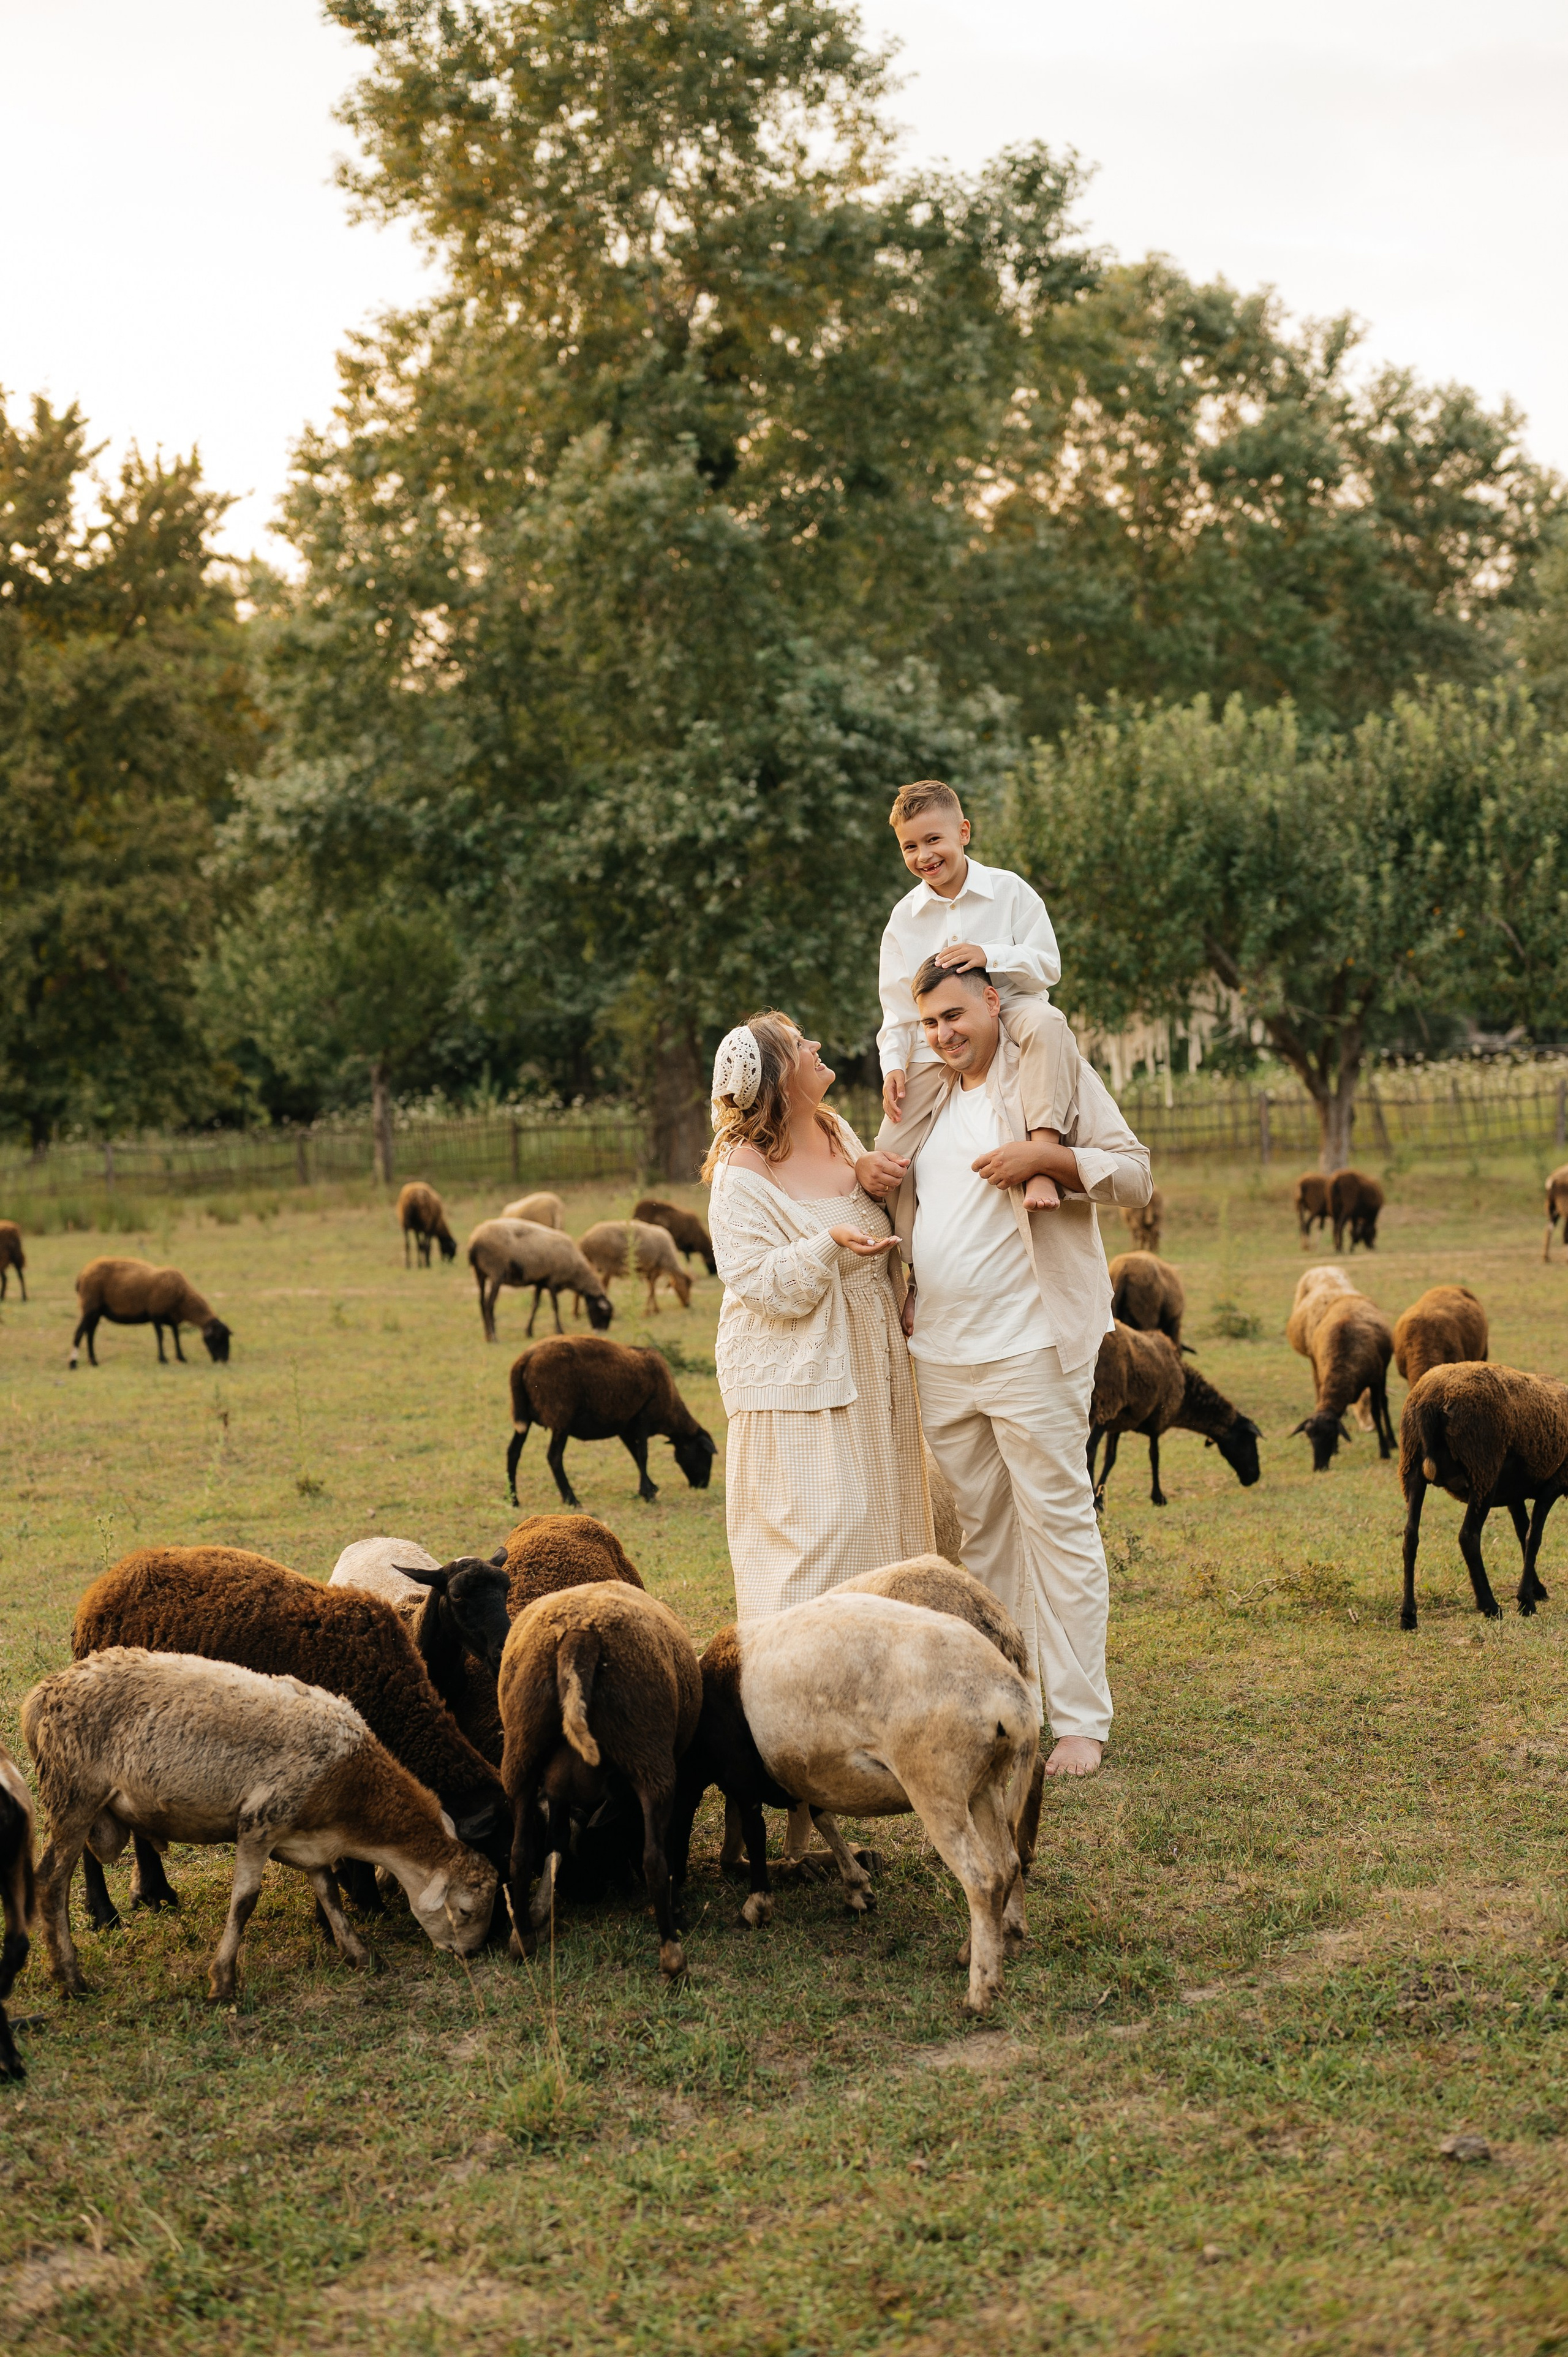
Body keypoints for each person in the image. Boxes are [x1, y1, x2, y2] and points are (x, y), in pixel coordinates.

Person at [856, 957, 1152, 1779]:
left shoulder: (1044, 1078)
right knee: (984, 1538)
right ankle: (1009, 1701)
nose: (947, 1034)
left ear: (994, 1003)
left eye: (957, 1015)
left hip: (1031, 1346)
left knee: (1058, 1524)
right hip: (943, 1353)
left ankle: (1082, 1721)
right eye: (932, 1024)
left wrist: (1047, 1162)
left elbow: (1134, 1172)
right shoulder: (931, 1103)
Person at [704, 1010, 933, 1623]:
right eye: (801, 1043)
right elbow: (754, 1279)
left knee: (883, 1522)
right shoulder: (738, 1168)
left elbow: (872, 1217)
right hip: (800, 1376)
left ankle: (887, 1675)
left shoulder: (835, 1130)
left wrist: (867, 1178)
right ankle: (800, 1676)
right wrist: (826, 1242)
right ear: (779, 1077)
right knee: (824, 1532)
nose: (817, 1043)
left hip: (871, 1353)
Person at [878, 778, 1077, 1213]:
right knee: (887, 1151)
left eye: (934, 840)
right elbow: (897, 1011)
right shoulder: (903, 920)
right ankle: (906, 1257)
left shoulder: (1009, 891)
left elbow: (1048, 964)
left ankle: (1043, 1159)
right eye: (910, 847)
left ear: (963, 833)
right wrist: (893, 1064)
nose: (924, 856)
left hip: (1011, 1008)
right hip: (939, 1037)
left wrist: (989, 953)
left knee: (1049, 1023)